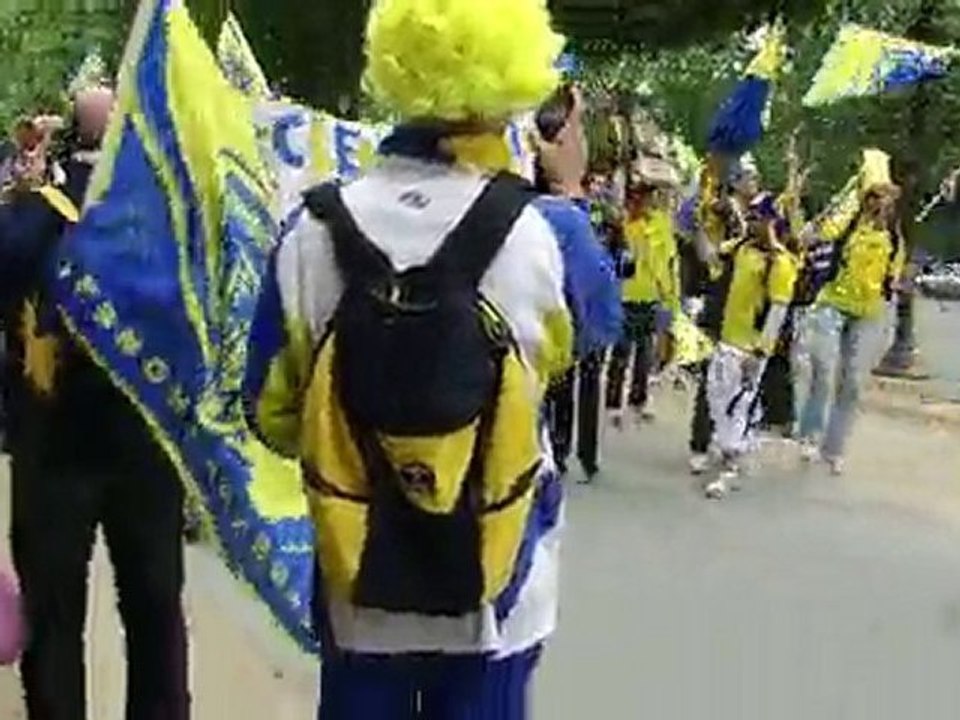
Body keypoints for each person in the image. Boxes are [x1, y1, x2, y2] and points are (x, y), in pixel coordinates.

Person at [244, 1, 617, 716]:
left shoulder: (312, 230)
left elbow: (269, 413)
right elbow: (591, 341)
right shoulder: (547, 233)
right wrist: (568, 186)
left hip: (359, 581)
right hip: (499, 585)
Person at [0, 87, 190, 720]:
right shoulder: (164, 219)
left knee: (53, 619)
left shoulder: (32, 216)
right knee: (156, 612)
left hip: (51, 444)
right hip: (145, 440)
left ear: (68, 141)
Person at [796, 150, 903, 475]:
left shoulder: (894, 234)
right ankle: (810, 435)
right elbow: (819, 235)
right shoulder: (848, 222)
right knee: (825, 372)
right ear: (865, 197)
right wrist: (814, 229)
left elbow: (894, 272)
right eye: (874, 196)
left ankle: (834, 447)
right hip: (832, 305)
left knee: (853, 382)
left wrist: (894, 288)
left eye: (885, 197)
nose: (880, 203)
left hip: (869, 312)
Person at [537, 86, 622, 482]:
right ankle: (558, 450)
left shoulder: (586, 210)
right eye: (578, 132)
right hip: (565, 328)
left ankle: (574, 451)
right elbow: (602, 297)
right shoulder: (564, 216)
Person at [702, 193, 799, 499]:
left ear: (772, 221)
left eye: (759, 217)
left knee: (740, 404)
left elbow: (778, 309)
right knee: (717, 396)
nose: (752, 222)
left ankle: (733, 465)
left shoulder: (780, 263)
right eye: (751, 216)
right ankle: (729, 449)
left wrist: (761, 351)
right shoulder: (742, 248)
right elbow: (713, 258)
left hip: (751, 347)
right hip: (727, 338)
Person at [605, 178, 679, 426]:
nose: (650, 202)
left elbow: (667, 259)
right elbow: (620, 255)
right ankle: (613, 402)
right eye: (646, 197)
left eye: (653, 197)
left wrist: (669, 294)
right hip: (626, 294)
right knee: (621, 351)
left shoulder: (661, 224)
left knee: (645, 351)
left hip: (652, 294)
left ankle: (639, 398)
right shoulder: (626, 223)